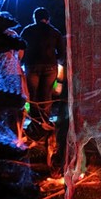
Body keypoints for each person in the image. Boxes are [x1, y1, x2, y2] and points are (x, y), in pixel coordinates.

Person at [20, 7, 65, 135]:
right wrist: (54, 59)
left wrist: (22, 63)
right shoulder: (55, 32)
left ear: (35, 18)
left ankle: (36, 124)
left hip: (32, 66)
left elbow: (20, 48)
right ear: (48, 19)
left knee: (33, 95)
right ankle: (44, 123)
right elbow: (62, 54)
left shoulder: (27, 31)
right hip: (50, 67)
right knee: (46, 96)